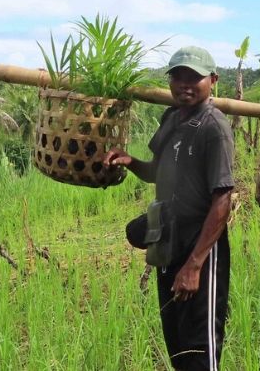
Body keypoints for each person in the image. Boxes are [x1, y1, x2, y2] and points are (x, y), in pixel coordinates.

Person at [103, 46, 235, 371]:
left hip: (199, 247)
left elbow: (223, 199)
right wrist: (131, 162)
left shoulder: (214, 128)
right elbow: (157, 172)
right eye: (178, 76)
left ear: (213, 80)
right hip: (167, 243)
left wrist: (194, 266)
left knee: (198, 352)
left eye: (195, 77)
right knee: (176, 343)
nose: (185, 84)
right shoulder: (171, 118)